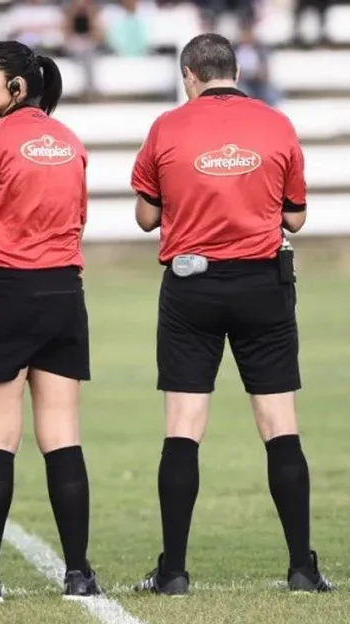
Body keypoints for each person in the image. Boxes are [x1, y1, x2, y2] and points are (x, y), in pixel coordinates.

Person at [129, 33, 332, 595]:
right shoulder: (276, 125)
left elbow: (146, 217)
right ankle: (301, 568)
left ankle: (172, 572)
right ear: (235, 71)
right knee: (279, 427)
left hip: (192, 287)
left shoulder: (167, 127)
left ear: (189, 75)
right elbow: (295, 219)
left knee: (183, 429)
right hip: (263, 283)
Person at [0, 40, 101, 600]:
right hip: (63, 292)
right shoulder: (71, 141)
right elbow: (76, 219)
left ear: (16, 87)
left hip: (5, 292)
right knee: (61, 436)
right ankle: (79, 573)